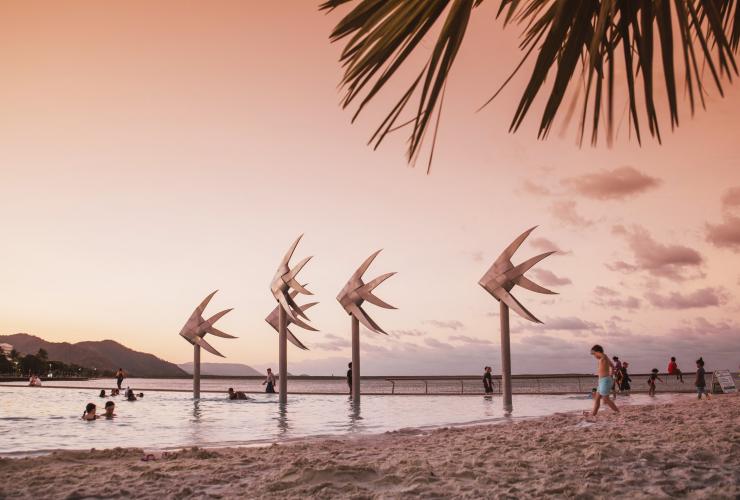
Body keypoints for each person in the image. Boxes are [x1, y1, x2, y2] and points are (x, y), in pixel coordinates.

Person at [586, 345, 619, 417]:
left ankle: (617, 412)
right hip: (602, 381)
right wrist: (612, 372)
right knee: (597, 398)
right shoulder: (603, 359)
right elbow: (612, 366)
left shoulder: (604, 357)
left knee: (606, 399)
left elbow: (602, 355)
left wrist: (593, 351)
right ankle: (593, 414)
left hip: (605, 381)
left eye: (594, 354)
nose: (594, 356)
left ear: (597, 352)